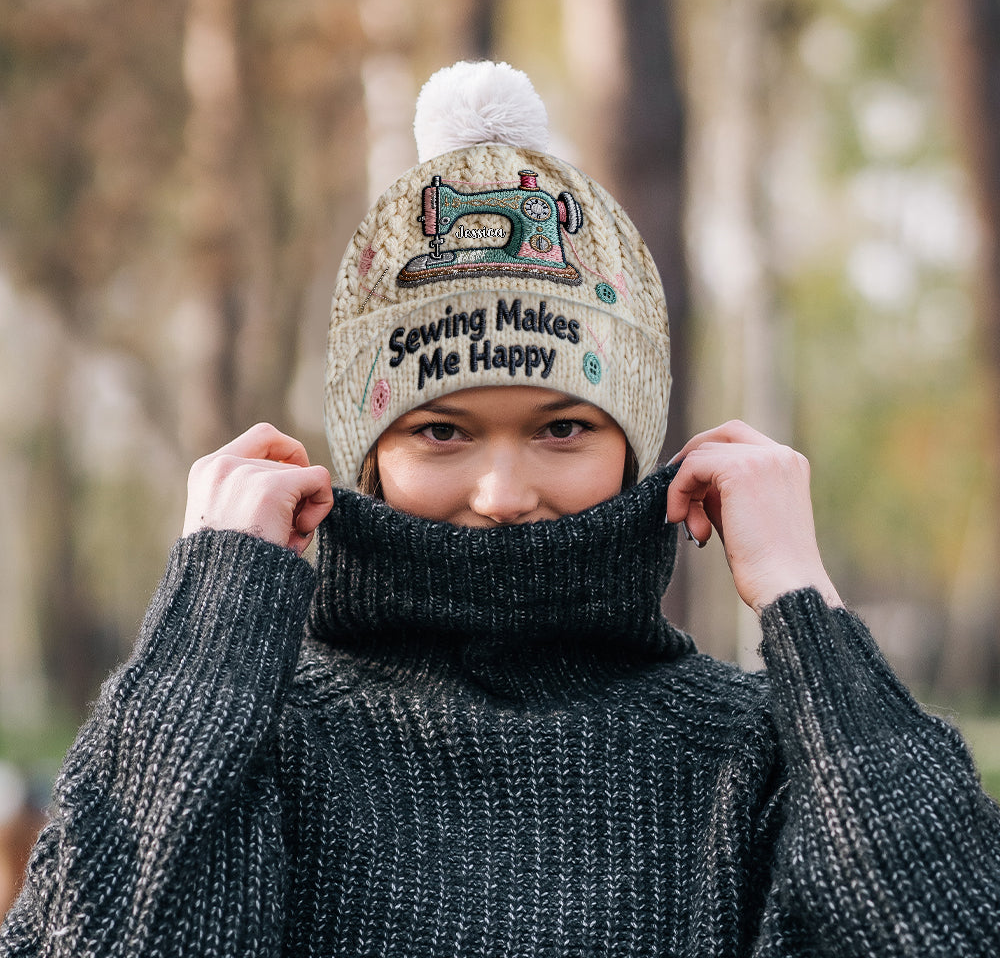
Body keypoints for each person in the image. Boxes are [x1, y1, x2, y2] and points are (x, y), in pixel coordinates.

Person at [2, 60, 999, 958]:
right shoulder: (260, 744)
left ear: (632, 445)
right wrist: (200, 648)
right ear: (370, 453)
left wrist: (804, 604)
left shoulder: (749, 758)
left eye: (562, 427)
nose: (504, 491)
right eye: (442, 431)